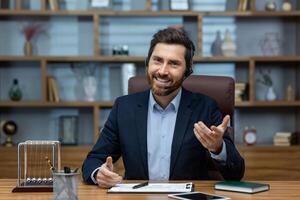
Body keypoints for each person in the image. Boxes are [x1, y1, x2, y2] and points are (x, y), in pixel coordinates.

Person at [82, 27, 245, 188]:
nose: (162, 71)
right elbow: (93, 160)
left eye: (173, 64)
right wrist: (99, 174)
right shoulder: (124, 108)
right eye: (157, 60)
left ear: (187, 71)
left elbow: (236, 174)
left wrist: (218, 148)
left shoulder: (205, 107)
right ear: (147, 63)